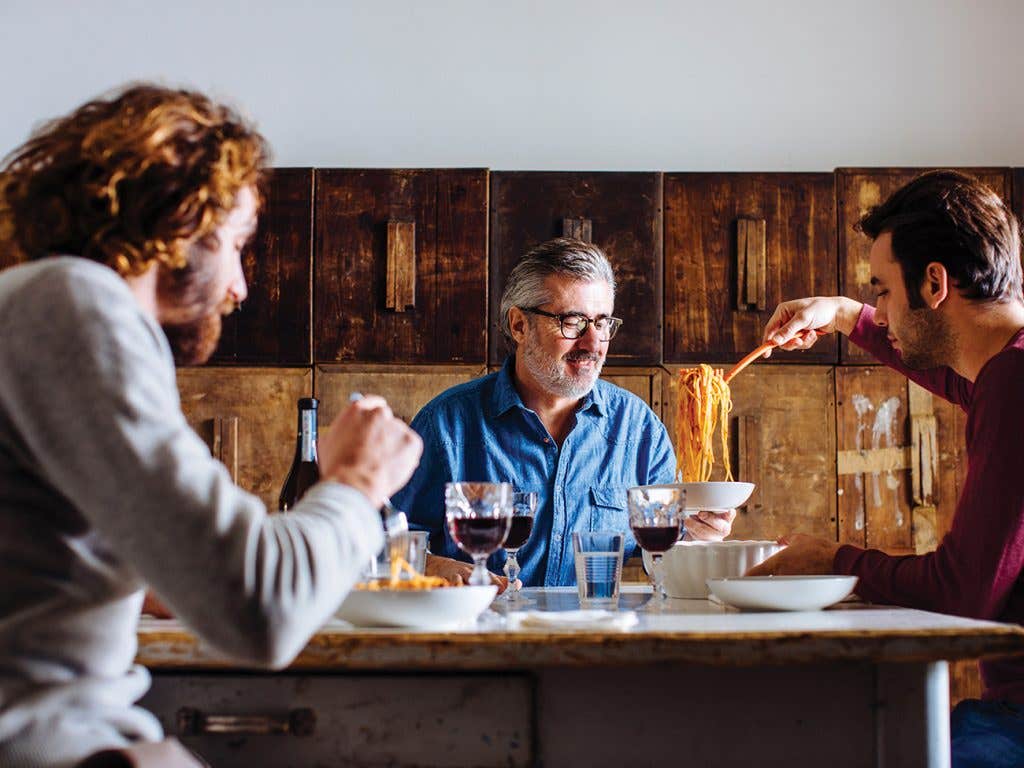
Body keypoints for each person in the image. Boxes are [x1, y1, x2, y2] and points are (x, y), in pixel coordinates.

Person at [0, 84, 422, 768]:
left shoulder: (32, 303)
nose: (241, 287)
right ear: (184, 218)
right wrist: (356, 483)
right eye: (238, 243)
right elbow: (261, 611)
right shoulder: (72, 304)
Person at [747, 170, 1024, 767]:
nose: (881, 309)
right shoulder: (1006, 372)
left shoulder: (1015, 384)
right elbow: (953, 377)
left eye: (882, 290)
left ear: (934, 284)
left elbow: (963, 593)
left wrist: (832, 560)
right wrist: (847, 315)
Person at [392, 237, 734, 587]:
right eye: (572, 322)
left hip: (597, 632)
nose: (592, 344)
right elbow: (380, 540)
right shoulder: (445, 425)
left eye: (601, 323)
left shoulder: (639, 428)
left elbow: (660, 558)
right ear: (519, 326)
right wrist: (431, 566)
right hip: (483, 632)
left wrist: (694, 536)